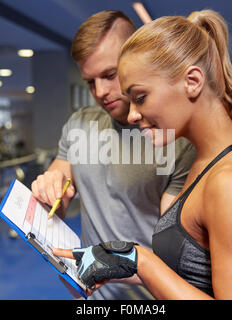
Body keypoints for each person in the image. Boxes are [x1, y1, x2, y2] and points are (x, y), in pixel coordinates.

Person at [54, 10, 232, 300]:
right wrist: (121, 264)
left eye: (140, 97)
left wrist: (141, 260)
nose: (132, 115)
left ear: (192, 82)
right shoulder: (205, 164)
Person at [31, 10, 196, 300]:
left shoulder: (174, 141)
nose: (101, 92)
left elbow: (179, 252)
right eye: (90, 82)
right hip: (90, 296)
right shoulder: (80, 124)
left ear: (134, 56)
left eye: (109, 75)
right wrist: (50, 186)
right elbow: (60, 177)